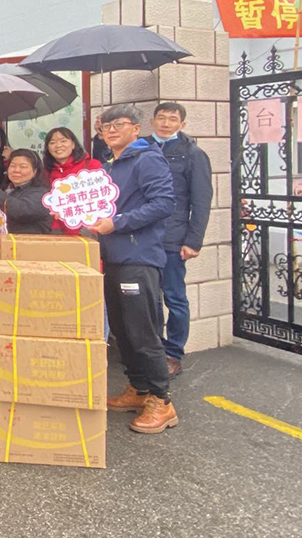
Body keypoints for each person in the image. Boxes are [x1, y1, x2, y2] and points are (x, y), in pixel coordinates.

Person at [88, 105, 177, 434]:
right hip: (113, 257)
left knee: (143, 331)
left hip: (138, 259)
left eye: (119, 124)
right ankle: (138, 389)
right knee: (122, 331)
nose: (111, 130)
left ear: (136, 129)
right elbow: (103, 209)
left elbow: (163, 204)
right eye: (106, 126)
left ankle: (161, 400)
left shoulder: (147, 159)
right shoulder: (110, 165)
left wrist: (118, 223)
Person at [146, 102, 212, 379]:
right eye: (161, 118)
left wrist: (194, 240)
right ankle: (153, 350)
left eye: (172, 119)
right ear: (152, 121)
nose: (166, 123)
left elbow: (201, 200)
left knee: (174, 297)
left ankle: (173, 353)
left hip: (173, 238)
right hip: (143, 236)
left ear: (182, 124)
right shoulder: (141, 148)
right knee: (149, 298)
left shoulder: (193, 154)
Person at [42, 127, 103, 235]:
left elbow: (102, 198)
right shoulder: (46, 172)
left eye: (63, 141)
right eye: (52, 142)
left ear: (73, 144)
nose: (58, 145)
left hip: (87, 231)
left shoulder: (92, 166)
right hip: (57, 233)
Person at [0, 149, 52, 235]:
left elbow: (20, 211)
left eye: (23, 167)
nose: (16, 170)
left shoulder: (42, 194)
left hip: (30, 242)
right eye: (12, 166)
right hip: (8, 241)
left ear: (35, 171)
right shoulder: (8, 189)